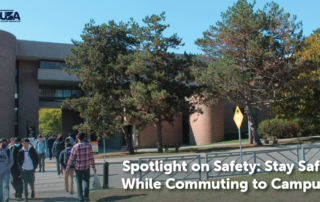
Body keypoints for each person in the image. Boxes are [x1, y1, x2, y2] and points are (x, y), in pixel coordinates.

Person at [66, 132, 96, 202]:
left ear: (77, 138)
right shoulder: (89, 146)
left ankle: (80, 198)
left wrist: (67, 167)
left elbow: (71, 159)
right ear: (84, 137)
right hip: (86, 167)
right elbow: (91, 157)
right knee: (86, 181)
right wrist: (93, 167)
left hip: (78, 167)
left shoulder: (75, 147)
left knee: (79, 182)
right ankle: (86, 196)